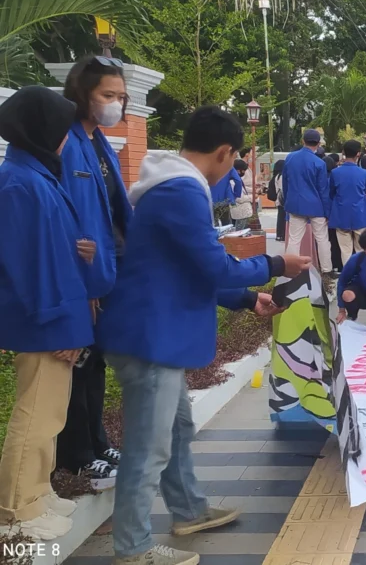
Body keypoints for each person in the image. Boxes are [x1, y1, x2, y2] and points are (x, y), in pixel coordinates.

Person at [96, 106, 310, 565]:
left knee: (176, 429)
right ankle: (132, 549)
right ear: (224, 152)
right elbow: (213, 264)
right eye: (233, 162)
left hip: (154, 330)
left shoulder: (166, 185)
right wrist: (276, 265)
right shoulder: (182, 192)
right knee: (147, 448)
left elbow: (188, 269)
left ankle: (189, 510)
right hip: (150, 336)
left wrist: (247, 300)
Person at [0, 87, 95, 540]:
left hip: (53, 314)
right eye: (61, 129)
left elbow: (53, 250)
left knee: (50, 412)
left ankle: (36, 489)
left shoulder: (37, 176)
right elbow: (29, 263)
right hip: (45, 320)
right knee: (37, 412)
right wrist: (58, 323)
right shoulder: (22, 183)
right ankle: (18, 508)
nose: (66, 138)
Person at [58, 56, 132, 490]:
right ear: (83, 94)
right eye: (108, 95)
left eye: (121, 97)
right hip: (83, 271)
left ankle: (98, 443)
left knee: (96, 360)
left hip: (110, 267)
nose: (116, 104)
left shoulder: (99, 142)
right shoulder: (65, 143)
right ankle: (77, 456)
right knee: (79, 365)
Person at [283, 129, 333, 276]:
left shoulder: (290, 158)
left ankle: (289, 268)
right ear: (318, 143)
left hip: (295, 204)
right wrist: (327, 211)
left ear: (303, 141)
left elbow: (286, 183)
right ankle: (326, 270)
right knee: (322, 238)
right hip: (316, 206)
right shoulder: (319, 163)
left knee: (294, 239)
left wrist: (288, 201)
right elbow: (323, 189)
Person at [330, 139, 366, 265]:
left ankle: (348, 276)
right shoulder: (365, 173)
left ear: (343, 152)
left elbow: (331, 192)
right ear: (358, 154)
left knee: (345, 250)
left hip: (341, 214)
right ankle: (361, 275)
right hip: (360, 214)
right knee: (361, 249)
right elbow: (365, 190)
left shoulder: (335, 172)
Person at [230, 158, 253, 229]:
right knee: (240, 232)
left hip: (243, 212)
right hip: (240, 212)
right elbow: (239, 198)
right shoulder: (233, 181)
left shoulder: (236, 180)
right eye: (243, 170)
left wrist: (254, 190)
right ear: (237, 170)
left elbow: (243, 189)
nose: (244, 172)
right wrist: (252, 197)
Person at [267, 159, 286, 241]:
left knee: (280, 217)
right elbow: (283, 189)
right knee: (282, 218)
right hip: (283, 201)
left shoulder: (276, 176)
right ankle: (281, 235)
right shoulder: (281, 176)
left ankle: (280, 234)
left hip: (279, 200)